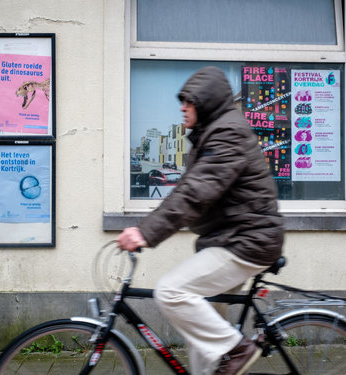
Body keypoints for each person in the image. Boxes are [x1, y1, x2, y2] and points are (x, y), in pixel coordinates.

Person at [117, 66, 284, 375]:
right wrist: (149, 223)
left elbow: (196, 192)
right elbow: (187, 190)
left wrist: (145, 232)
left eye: (188, 101)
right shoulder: (212, 134)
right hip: (234, 238)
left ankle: (238, 349)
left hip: (248, 242)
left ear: (205, 102)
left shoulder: (226, 133)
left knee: (170, 291)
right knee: (202, 327)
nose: (182, 107)